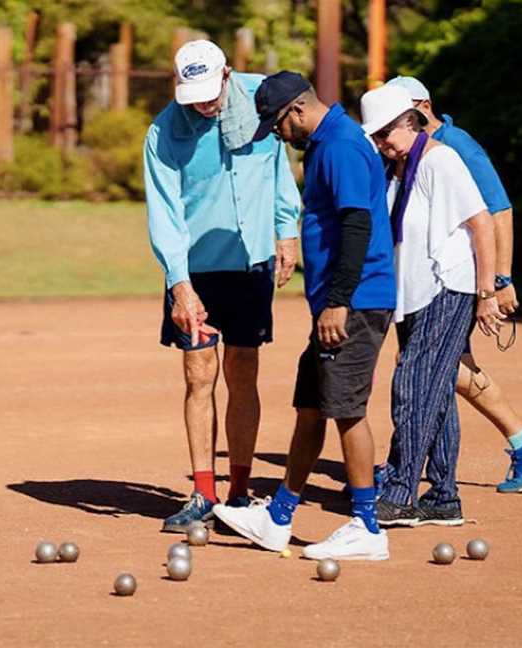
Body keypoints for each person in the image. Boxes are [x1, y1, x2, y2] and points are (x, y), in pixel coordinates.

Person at [213, 72, 396, 560]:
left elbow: (358, 224)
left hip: (354, 302)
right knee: (312, 404)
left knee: (346, 408)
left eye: (276, 125)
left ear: (296, 110)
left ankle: (367, 526)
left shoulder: (339, 145)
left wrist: (338, 300)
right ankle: (278, 517)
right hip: (337, 304)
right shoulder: (327, 143)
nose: (277, 134)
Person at [143, 41, 301, 533]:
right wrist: (179, 285)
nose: (204, 104)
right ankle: (202, 493)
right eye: (193, 96)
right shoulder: (164, 131)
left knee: (244, 371)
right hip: (197, 269)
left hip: (252, 259)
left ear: (228, 74)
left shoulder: (263, 97)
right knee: (198, 375)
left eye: (210, 93)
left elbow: (279, 168)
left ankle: (238, 490)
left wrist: (286, 229)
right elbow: (164, 213)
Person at [384, 76, 522, 494]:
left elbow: (498, 211)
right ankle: (519, 442)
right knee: (444, 368)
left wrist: (499, 280)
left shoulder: (456, 145)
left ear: (421, 106)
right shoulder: (410, 154)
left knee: (429, 367)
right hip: (432, 281)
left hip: (461, 279)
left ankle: (519, 441)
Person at [359, 83, 503, 527]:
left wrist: (486, 292)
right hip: (415, 291)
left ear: (410, 121)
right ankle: (443, 496)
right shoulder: (399, 168)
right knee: (435, 391)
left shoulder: (440, 160)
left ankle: (402, 491)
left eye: (387, 133)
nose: (382, 143)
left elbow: (482, 224)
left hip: (449, 286)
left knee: (414, 385)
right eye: (376, 137)